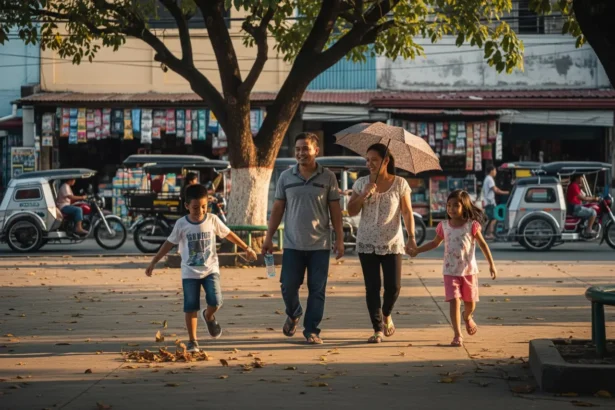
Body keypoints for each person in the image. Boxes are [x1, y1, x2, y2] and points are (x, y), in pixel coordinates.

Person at [145, 184, 257, 353]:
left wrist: (246, 248)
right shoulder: (181, 224)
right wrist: (154, 261)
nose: (200, 211)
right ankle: (193, 341)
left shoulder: (212, 220)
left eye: (204, 207)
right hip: (189, 273)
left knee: (216, 301)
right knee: (191, 306)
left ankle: (209, 316)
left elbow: (228, 234)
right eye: (196, 208)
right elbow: (169, 243)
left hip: (210, 270)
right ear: (187, 206)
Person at [262, 132, 345, 345]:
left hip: (320, 245)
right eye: (297, 149)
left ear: (316, 151)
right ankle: (294, 312)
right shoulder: (285, 177)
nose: (301, 153)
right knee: (287, 286)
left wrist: (340, 238)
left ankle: (312, 330)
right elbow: (278, 208)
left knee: (317, 289)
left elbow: (335, 210)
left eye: (305, 148)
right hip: (292, 244)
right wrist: (268, 237)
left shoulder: (328, 177)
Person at [347, 143, 417, 343]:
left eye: (374, 160)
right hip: (366, 243)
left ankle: (386, 313)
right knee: (372, 287)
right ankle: (377, 328)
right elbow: (351, 211)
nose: (369, 164)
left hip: (392, 243)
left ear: (386, 161)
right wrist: (363, 195)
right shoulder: (361, 183)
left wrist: (411, 238)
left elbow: (406, 212)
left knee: (393, 287)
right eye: (367, 160)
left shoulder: (400, 183)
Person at [410, 190, 497, 347]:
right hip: (450, 272)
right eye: (448, 205)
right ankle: (457, 334)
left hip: (469, 272)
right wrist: (417, 250)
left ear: (464, 206)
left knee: (470, 304)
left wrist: (491, 264)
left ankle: (467, 317)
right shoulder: (443, 226)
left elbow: (483, 245)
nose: (451, 208)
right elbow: (434, 243)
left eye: (455, 205)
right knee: (454, 302)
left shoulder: (472, 226)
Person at [482, 165, 509, 240]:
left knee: (490, 218)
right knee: (494, 218)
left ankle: (486, 233)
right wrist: (506, 193)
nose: (496, 172)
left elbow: (495, 188)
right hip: (489, 202)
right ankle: (489, 233)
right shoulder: (489, 179)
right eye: (495, 170)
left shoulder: (488, 179)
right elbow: (496, 190)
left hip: (489, 202)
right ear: (491, 171)